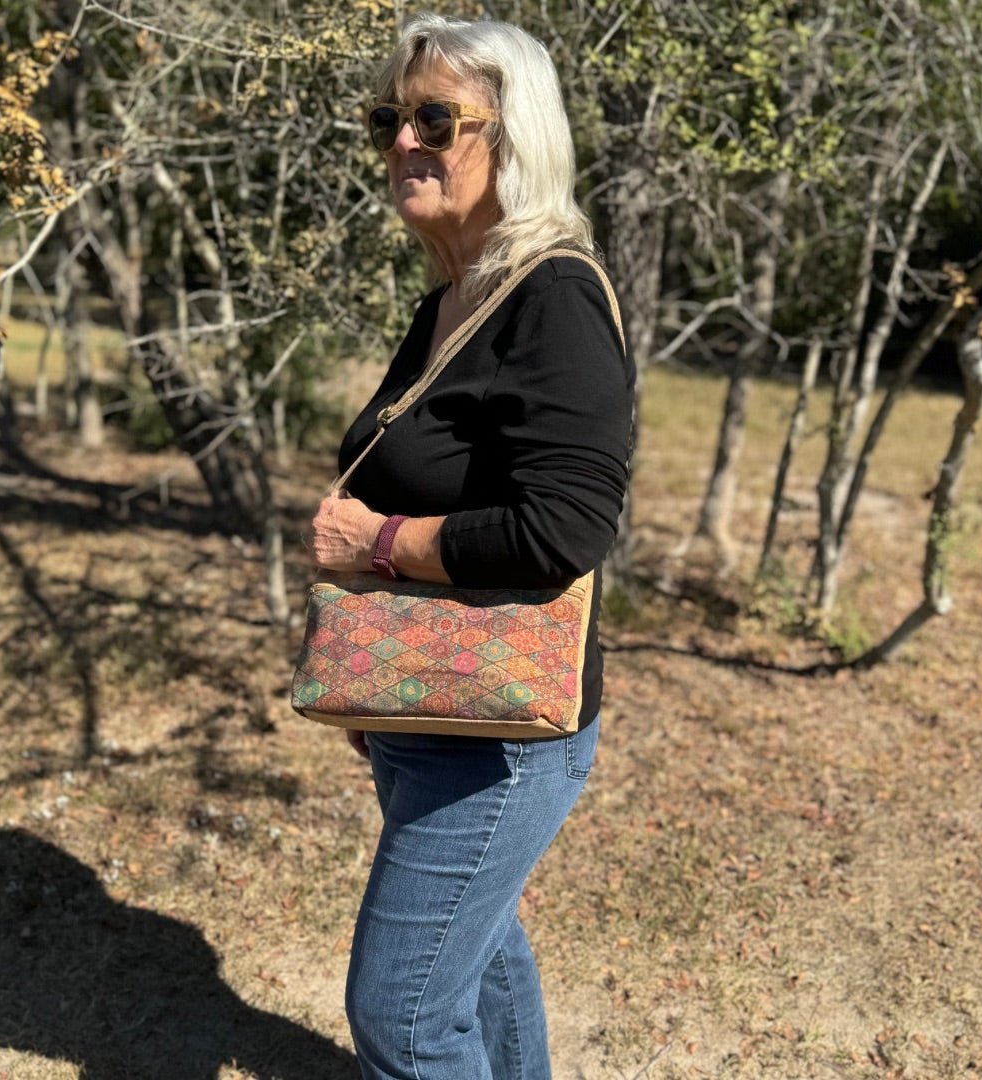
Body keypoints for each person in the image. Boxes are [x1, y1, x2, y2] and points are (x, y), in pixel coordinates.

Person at [308, 12, 635, 1079]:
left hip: (501, 739)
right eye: (388, 119)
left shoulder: (554, 297)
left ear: (515, 136)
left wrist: (383, 541)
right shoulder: (455, 298)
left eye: (436, 119)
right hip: (429, 702)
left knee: (400, 1014)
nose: (404, 141)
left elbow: (566, 528)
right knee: (479, 960)